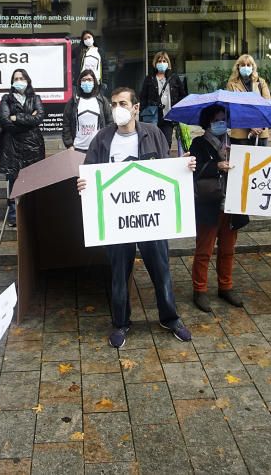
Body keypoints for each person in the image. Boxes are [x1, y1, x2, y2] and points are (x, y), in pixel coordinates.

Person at [78, 87, 194, 348]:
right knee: (119, 275)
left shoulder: (153, 134)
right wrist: (83, 185)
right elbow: (89, 173)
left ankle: (170, 318)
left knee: (161, 271)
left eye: (122, 103)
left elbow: (167, 171)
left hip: (151, 221)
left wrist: (183, 168)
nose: (117, 108)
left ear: (136, 107)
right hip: (117, 222)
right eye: (114, 104)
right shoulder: (102, 139)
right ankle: (120, 323)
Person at [189, 104, 248, 312]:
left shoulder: (236, 144)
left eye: (224, 119)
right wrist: (217, 166)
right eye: (217, 120)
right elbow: (194, 170)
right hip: (208, 204)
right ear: (208, 122)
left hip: (231, 205)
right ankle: (200, 289)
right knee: (204, 250)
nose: (221, 123)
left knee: (228, 250)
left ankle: (226, 286)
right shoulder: (199, 143)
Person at [0, 69, 46, 227]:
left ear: (27, 80)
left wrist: (17, 117)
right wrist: (28, 120)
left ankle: (34, 214)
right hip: (12, 146)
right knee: (14, 182)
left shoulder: (35, 98)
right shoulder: (6, 99)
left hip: (33, 147)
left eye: (21, 78)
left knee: (34, 182)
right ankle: (13, 217)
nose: (19, 81)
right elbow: (5, 121)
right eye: (16, 78)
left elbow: (39, 118)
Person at [139, 51, 188, 150]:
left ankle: (165, 158)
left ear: (168, 63)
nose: (162, 63)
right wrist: (143, 113)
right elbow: (143, 97)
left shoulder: (174, 78)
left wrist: (178, 111)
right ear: (155, 63)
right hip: (153, 117)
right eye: (159, 60)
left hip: (168, 117)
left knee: (167, 142)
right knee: (153, 142)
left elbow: (183, 95)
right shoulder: (150, 78)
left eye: (164, 60)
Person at [225, 54, 271, 146]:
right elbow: (234, 108)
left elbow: (267, 105)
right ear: (238, 67)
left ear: (253, 67)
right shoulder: (231, 84)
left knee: (261, 159)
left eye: (248, 65)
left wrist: (258, 126)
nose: (246, 67)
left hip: (260, 131)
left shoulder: (261, 82)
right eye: (243, 65)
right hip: (240, 132)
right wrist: (250, 125)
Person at [62, 68, 111, 152]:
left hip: (98, 148)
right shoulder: (74, 101)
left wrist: (106, 141)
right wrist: (69, 145)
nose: (86, 82)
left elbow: (110, 122)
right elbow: (66, 124)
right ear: (79, 83)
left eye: (89, 80)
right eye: (84, 80)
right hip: (78, 148)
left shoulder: (102, 100)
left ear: (94, 82)